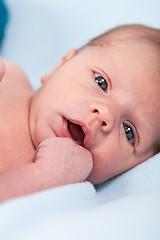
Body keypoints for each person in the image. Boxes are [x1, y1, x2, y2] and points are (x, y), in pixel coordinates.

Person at [0, 24, 160, 202]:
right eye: (101, 82)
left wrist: (46, 176)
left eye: (128, 131)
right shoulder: (11, 75)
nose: (105, 114)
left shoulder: (67, 191)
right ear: (60, 64)